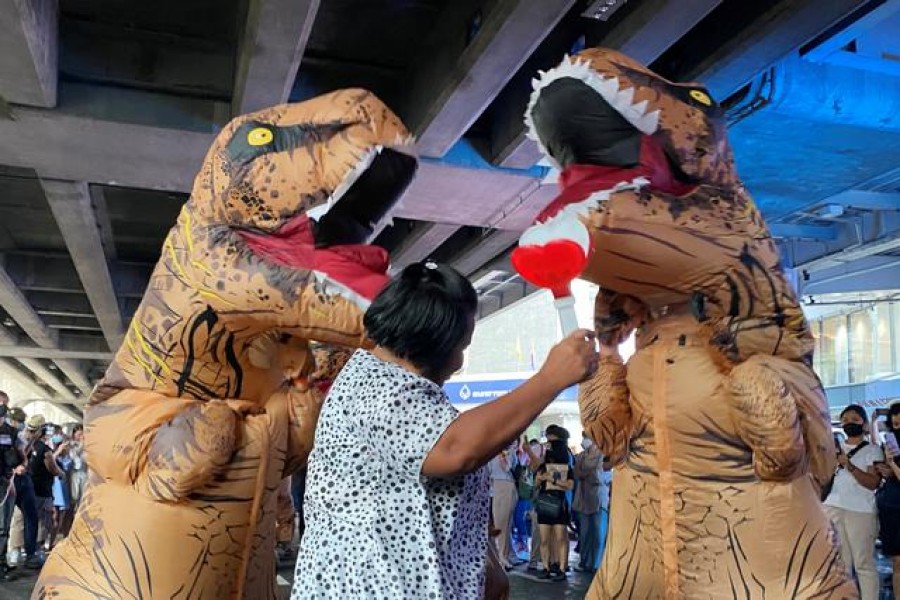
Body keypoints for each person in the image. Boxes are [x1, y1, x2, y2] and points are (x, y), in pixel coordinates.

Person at [292, 261, 597, 599]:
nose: (459, 362)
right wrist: (550, 379)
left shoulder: (406, 389)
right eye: (460, 346)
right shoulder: (374, 386)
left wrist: (484, 559)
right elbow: (455, 450)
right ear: (430, 339)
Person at [823, 404, 884, 600]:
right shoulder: (833, 449)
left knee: (863, 563)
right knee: (841, 563)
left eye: (855, 420)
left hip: (860, 511)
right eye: (846, 420)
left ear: (865, 425)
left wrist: (849, 466)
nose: (849, 423)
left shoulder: (872, 450)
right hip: (832, 507)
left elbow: (873, 483)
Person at [533, 429, 574, 582]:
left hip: (559, 503)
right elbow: (536, 485)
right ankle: (546, 567)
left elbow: (570, 485)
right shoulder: (542, 466)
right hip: (544, 503)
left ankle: (562, 568)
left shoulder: (567, 467)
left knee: (560, 538)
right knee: (544, 539)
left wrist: (552, 480)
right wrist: (539, 479)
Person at [875, 402, 900, 598]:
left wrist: (892, 465)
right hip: (891, 506)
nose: (896, 418)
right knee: (897, 561)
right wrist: (886, 469)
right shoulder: (891, 441)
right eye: (894, 415)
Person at [573, 432, 603, 573]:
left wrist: (585, 473)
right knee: (584, 533)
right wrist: (586, 473)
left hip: (598, 498)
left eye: (587, 438)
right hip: (583, 498)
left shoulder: (602, 454)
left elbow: (597, 476)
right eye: (584, 437)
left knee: (597, 533)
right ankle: (584, 562)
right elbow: (576, 473)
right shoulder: (581, 455)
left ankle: (595, 563)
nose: (584, 440)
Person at [488, 441, 519, 569]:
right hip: (496, 486)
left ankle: (503, 557)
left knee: (503, 524)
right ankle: (505, 555)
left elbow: (508, 467)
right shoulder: (491, 453)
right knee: (501, 523)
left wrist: (504, 455)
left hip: (505, 486)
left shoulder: (509, 452)